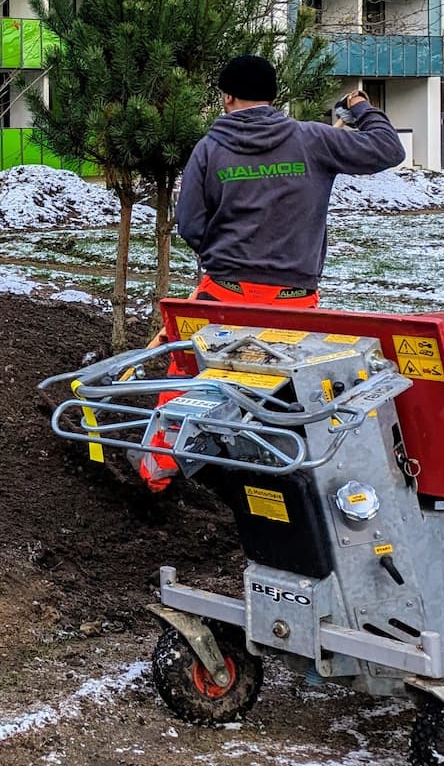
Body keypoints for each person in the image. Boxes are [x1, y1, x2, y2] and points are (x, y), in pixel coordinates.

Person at [140, 55, 405, 490]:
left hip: (224, 294)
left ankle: (158, 474)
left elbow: (189, 224)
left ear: (226, 97)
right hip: (293, 303)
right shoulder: (314, 140)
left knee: (189, 374)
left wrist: (223, 258)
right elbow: (388, 149)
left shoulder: (210, 149)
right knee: (293, 390)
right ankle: (294, 483)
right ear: (273, 96)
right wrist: (360, 106)